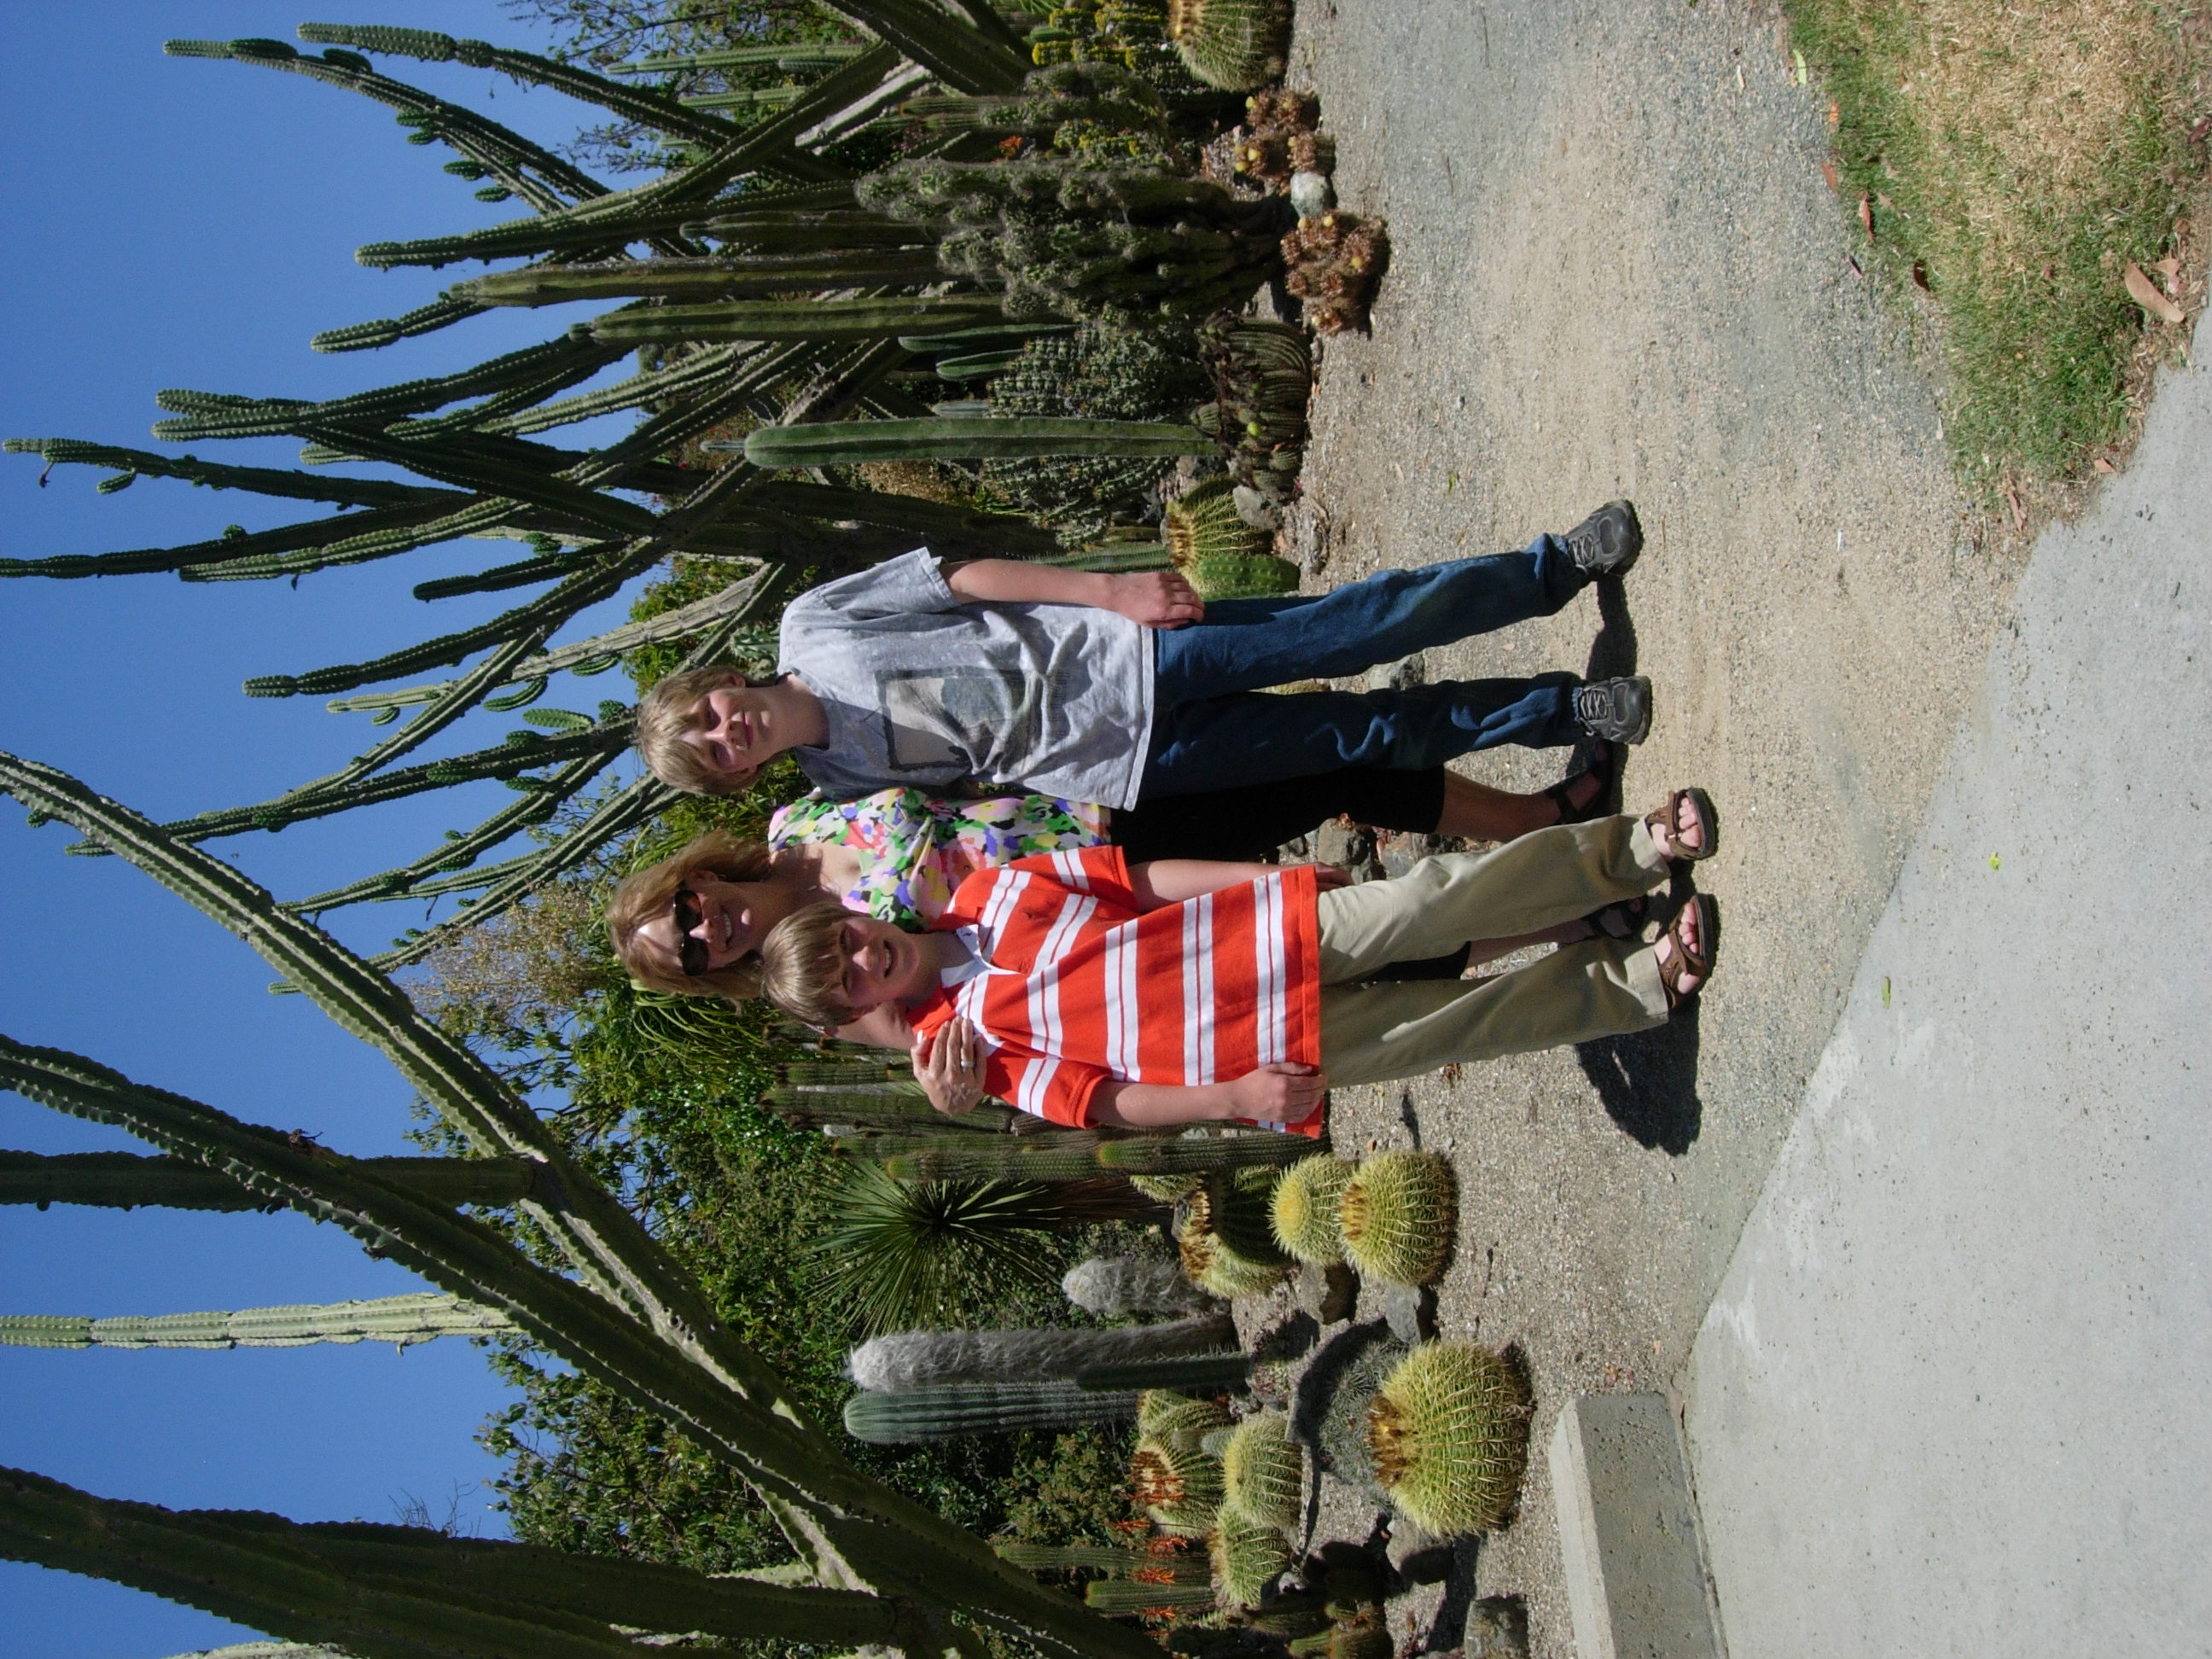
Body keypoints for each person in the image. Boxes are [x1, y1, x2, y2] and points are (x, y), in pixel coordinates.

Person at [756, 791, 1722, 1131]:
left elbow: (1135, 880)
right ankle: (1637, 982)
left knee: (1431, 900)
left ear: (852, 916)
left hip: (1257, 936)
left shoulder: (986, 893)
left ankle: (1629, 850)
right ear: (851, 1011)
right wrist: (1231, 1100)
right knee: (1455, 1021)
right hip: (1254, 1051)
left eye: (844, 940)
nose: (863, 957)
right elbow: (1103, 1102)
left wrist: (1267, 877)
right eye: (847, 981)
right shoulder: (968, 1051)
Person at [632, 502, 1655, 806]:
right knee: (1363, 735)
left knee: (1355, 625)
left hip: (1127, 655)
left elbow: (958, 580)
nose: (729, 733)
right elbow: (967, 800)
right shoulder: (842, 786)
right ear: (739, 776)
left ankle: (1553, 568)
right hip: (1127, 763)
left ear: (721, 686)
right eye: (716, 754)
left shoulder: (811, 628)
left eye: (710, 717)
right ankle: (1567, 712)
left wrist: (1109, 590)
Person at [607, 756, 1614, 1006]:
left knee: (1325, 778)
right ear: (708, 972)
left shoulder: (799, 819)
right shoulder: (815, 987)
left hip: (1100, 815)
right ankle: (1556, 924)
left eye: (682, 911)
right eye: (688, 953)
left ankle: (1536, 820)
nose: (703, 929)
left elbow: (947, 769)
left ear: (692, 879)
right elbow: (936, 1030)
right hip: (1103, 935)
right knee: (1324, 956)